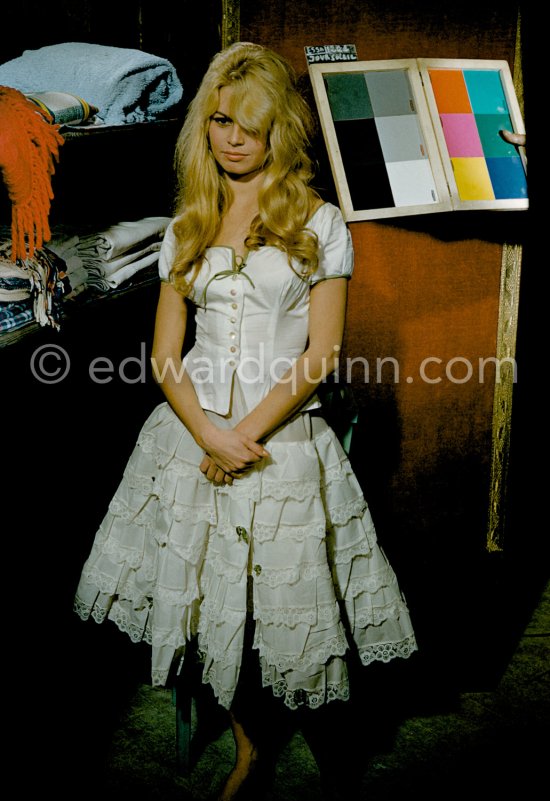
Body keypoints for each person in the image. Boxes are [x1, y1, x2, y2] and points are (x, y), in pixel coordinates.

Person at [74, 41, 417, 800]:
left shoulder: (321, 224)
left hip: (282, 439)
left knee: (291, 614)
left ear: (278, 133)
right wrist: (208, 435)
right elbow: (166, 356)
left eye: (250, 125)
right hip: (189, 437)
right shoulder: (186, 226)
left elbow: (322, 355)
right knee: (205, 608)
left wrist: (243, 439)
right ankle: (249, 749)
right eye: (220, 120)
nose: (232, 138)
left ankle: (332, 759)